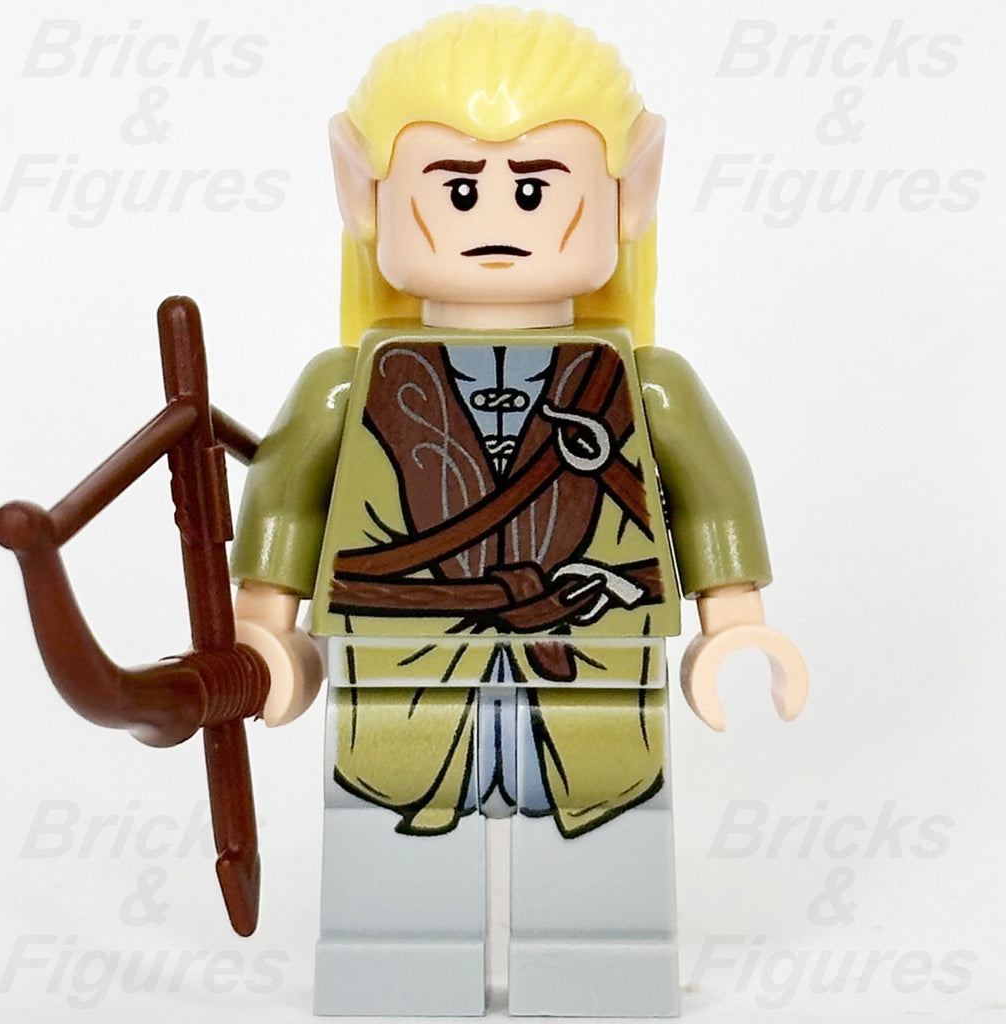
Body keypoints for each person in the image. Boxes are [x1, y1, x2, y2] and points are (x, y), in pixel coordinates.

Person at [229, 8, 808, 1016]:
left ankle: (602, 978)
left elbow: (710, 491)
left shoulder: (645, 385)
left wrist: (735, 625)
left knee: (606, 850)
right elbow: (286, 502)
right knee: (388, 855)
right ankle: (391, 977)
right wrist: (264, 634)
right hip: (397, 669)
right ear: (362, 192)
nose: (495, 215)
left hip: (594, 661)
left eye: (534, 187)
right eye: (456, 187)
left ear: (633, 189)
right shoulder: (345, 385)